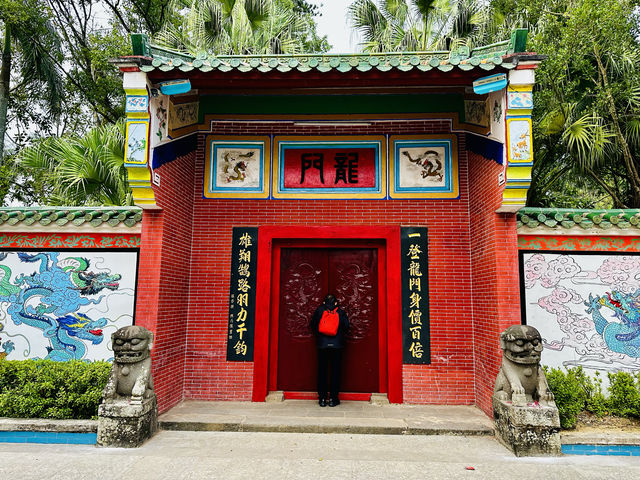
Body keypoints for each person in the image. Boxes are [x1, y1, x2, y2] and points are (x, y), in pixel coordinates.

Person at [310, 294, 349, 407]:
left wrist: (320, 336)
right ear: (336, 303)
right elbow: (346, 327)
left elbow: (313, 325)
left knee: (322, 371)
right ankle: (333, 398)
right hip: (336, 346)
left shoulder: (319, 311)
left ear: (324, 302)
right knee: (335, 372)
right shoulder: (340, 312)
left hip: (322, 346)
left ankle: (322, 399)